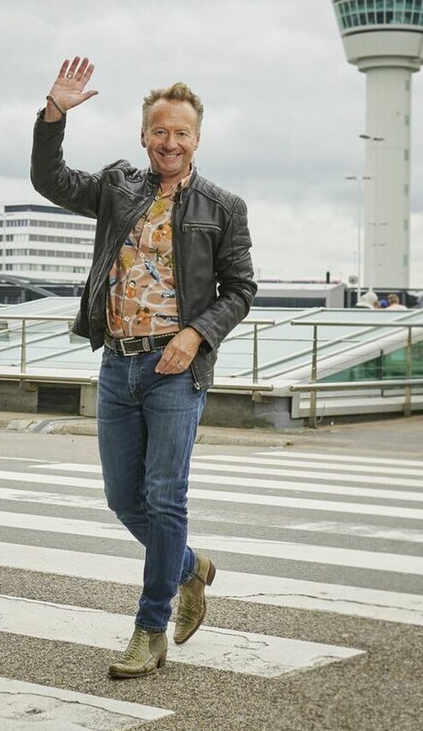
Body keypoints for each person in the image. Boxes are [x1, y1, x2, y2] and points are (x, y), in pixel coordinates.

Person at [31, 56, 255, 679]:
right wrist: (54, 114)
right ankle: (189, 568)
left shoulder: (223, 206)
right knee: (122, 498)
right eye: (160, 131)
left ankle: (150, 629)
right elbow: (50, 181)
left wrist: (196, 334)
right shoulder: (117, 188)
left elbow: (240, 289)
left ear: (198, 139)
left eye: (181, 132)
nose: (170, 141)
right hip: (117, 363)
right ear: (143, 136)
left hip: (175, 369)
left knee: (164, 496)